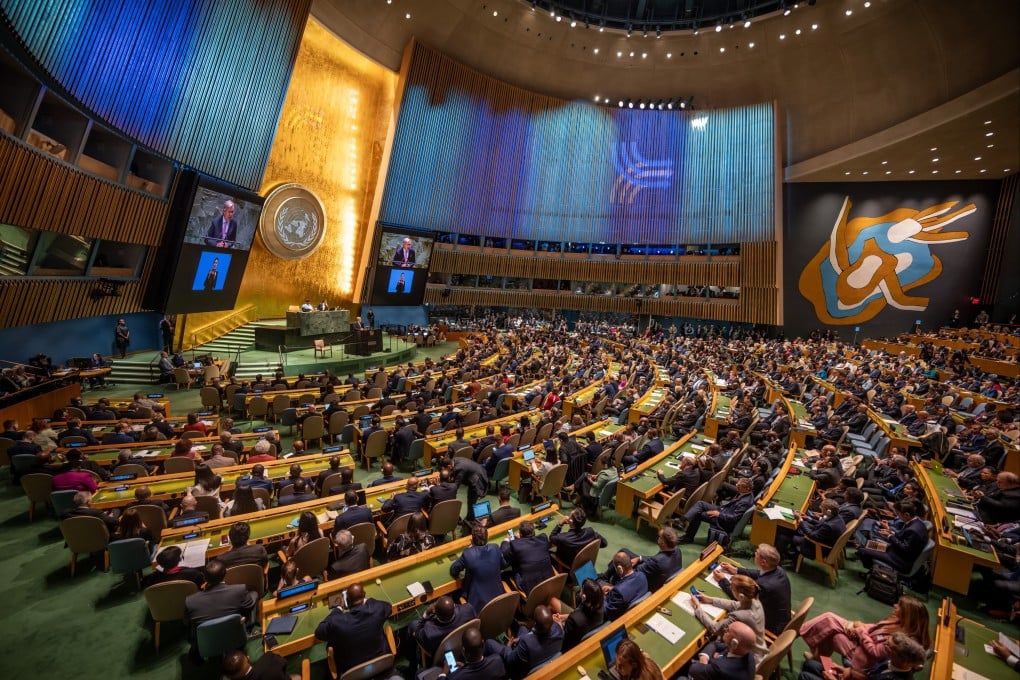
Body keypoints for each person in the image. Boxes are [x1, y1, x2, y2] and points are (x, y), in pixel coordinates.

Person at [800, 596, 931, 671]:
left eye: (899, 606)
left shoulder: (903, 641)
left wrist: (860, 631)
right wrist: (860, 625)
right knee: (830, 620)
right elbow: (876, 627)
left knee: (831, 631)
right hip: (861, 640)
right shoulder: (899, 622)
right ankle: (816, 657)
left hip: (863, 656)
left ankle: (797, 633)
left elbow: (875, 652)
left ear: (909, 615)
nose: (895, 606)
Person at [184, 559, 258, 659]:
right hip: (236, 637)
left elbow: (187, 623)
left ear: (204, 577)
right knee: (253, 594)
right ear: (225, 573)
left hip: (208, 642)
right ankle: (248, 629)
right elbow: (248, 607)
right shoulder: (239, 590)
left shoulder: (190, 601)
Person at [315, 583, 392, 677]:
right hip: (381, 666)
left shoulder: (337, 621)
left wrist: (338, 609)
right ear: (364, 596)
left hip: (353, 674)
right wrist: (367, 600)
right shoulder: (377, 609)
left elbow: (319, 632)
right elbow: (388, 607)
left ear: (347, 600)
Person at [691, 574, 767, 665]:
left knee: (712, 644)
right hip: (758, 650)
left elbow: (714, 628)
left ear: (741, 596)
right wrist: (709, 600)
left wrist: (697, 607)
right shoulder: (755, 601)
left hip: (747, 659)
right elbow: (734, 605)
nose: (731, 589)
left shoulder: (739, 616)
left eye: (732, 589)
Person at [716, 544, 791, 635]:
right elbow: (759, 573)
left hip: (770, 626)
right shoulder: (778, 570)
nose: (755, 553)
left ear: (763, 562)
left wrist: (722, 580)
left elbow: (741, 598)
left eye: (757, 553)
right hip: (781, 618)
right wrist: (736, 570)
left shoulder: (764, 586)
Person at [799, 631, 927, 680]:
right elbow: (868, 675)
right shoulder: (890, 659)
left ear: (903, 659)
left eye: (889, 647)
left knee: (805, 676)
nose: (885, 648)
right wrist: (848, 671)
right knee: (810, 664)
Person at [484, 604, 563, 679]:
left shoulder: (526, 643)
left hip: (525, 672)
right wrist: (524, 638)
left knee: (489, 642)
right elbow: (533, 638)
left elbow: (510, 659)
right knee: (522, 628)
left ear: (535, 623)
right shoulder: (558, 630)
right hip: (545, 659)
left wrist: (508, 646)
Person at [856, 498, 928, 573]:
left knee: (863, 551)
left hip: (899, 560)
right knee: (867, 544)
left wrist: (890, 536)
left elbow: (904, 549)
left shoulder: (913, 530)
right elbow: (904, 537)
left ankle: (876, 574)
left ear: (907, 514)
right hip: (896, 552)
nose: (898, 516)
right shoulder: (916, 522)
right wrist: (891, 532)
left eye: (899, 514)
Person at [450, 524, 508, 614]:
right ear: (487, 538)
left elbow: (453, 570)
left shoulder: (468, 553)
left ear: (472, 539)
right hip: (499, 601)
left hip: (478, 609)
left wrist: (469, 549)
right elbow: (504, 565)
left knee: (454, 595)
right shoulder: (495, 548)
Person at [678, 477, 754, 544]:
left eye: (739, 486)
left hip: (724, 521)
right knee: (700, 503)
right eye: (737, 484)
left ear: (746, 489)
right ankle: (682, 520)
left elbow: (734, 518)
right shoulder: (746, 494)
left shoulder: (745, 502)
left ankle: (688, 537)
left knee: (698, 514)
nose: (736, 486)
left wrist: (718, 514)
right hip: (724, 511)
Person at [409, 595, 477, 665]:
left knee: (413, 624)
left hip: (440, 655)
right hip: (463, 645)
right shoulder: (468, 610)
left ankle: (412, 662)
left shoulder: (429, 632)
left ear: (435, 613)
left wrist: (426, 614)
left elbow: (417, 632)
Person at [685, 619, 756, 680]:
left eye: (728, 630)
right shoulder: (747, 653)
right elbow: (714, 644)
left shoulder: (721, 669)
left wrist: (704, 664)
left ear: (734, 643)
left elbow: (693, 669)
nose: (724, 630)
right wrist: (705, 657)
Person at [501, 520, 554, 595]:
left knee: (504, 574)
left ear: (520, 534)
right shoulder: (543, 538)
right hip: (550, 581)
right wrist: (522, 540)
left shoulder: (515, 545)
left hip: (531, 588)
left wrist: (506, 541)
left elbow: (504, 553)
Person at [555, 578, 604, 649]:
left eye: (582, 589)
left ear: (584, 597)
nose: (580, 591)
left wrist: (559, 625)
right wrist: (563, 617)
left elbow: (564, 641)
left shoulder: (574, 620)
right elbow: (578, 614)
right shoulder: (600, 608)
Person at [603, 551, 649, 621]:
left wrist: (599, 596)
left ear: (619, 569)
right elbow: (629, 589)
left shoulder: (619, 592)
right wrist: (613, 589)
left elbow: (607, 612)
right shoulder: (642, 575)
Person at [222, 649, 299, 680]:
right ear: (248, 658)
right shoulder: (268, 659)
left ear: (229, 677)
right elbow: (284, 663)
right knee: (298, 677)